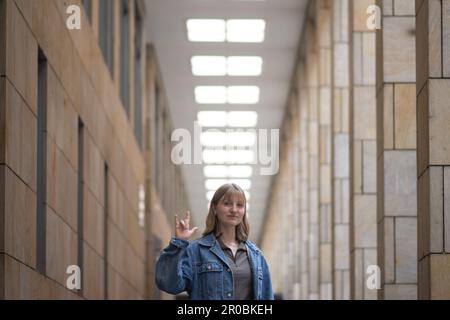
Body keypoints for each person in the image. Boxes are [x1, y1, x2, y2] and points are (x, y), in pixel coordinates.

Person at [155, 183, 274, 300]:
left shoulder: (256, 255)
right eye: (227, 204)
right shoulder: (196, 250)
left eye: (239, 205)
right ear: (214, 208)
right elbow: (169, 285)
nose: (234, 210)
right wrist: (178, 243)